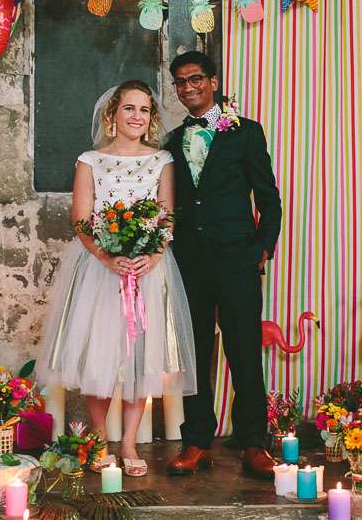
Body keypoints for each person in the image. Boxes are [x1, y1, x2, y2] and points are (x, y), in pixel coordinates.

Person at [36, 80, 197, 477]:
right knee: (100, 354)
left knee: (140, 356)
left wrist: (151, 256)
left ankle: (127, 442)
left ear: (151, 117)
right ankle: (98, 437)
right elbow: (81, 219)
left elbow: (167, 216)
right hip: (101, 270)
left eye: (144, 110)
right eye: (129, 108)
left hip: (148, 270)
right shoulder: (90, 160)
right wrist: (108, 257)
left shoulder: (161, 160)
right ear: (113, 114)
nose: (136, 116)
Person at [163, 51, 283, 479]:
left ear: (213, 81)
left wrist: (262, 247)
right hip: (188, 262)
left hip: (237, 258)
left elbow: (268, 198)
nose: (188, 87)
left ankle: (253, 442)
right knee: (194, 353)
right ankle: (196, 441)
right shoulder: (171, 142)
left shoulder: (246, 132)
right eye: (180, 82)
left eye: (195, 79)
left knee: (244, 350)